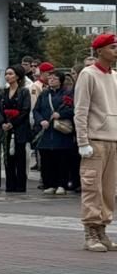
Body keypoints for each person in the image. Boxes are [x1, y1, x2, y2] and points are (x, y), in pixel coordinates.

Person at [73, 32, 117, 252]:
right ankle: (90, 231)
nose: (115, 51)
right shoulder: (88, 74)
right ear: (100, 51)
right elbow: (81, 109)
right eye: (112, 47)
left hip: (113, 139)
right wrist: (83, 140)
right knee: (92, 188)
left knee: (109, 190)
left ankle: (103, 229)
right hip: (95, 139)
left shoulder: (115, 76)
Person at [33, 68, 76, 196]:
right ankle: (49, 183)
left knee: (61, 160)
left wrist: (61, 114)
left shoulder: (67, 94)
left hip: (60, 131)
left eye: (55, 78)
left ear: (61, 81)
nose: (51, 80)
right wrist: (41, 121)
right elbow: (36, 110)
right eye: (50, 78)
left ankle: (61, 184)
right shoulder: (44, 94)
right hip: (46, 132)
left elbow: (74, 110)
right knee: (47, 160)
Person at [0, 65, 31, 194]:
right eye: (6, 74)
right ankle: (10, 184)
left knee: (20, 156)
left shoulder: (24, 91)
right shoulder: (3, 92)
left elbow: (25, 110)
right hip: (6, 128)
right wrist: (3, 122)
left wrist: (13, 123)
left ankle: (20, 185)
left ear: (17, 76)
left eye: (11, 74)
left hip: (19, 128)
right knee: (7, 157)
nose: (8, 76)